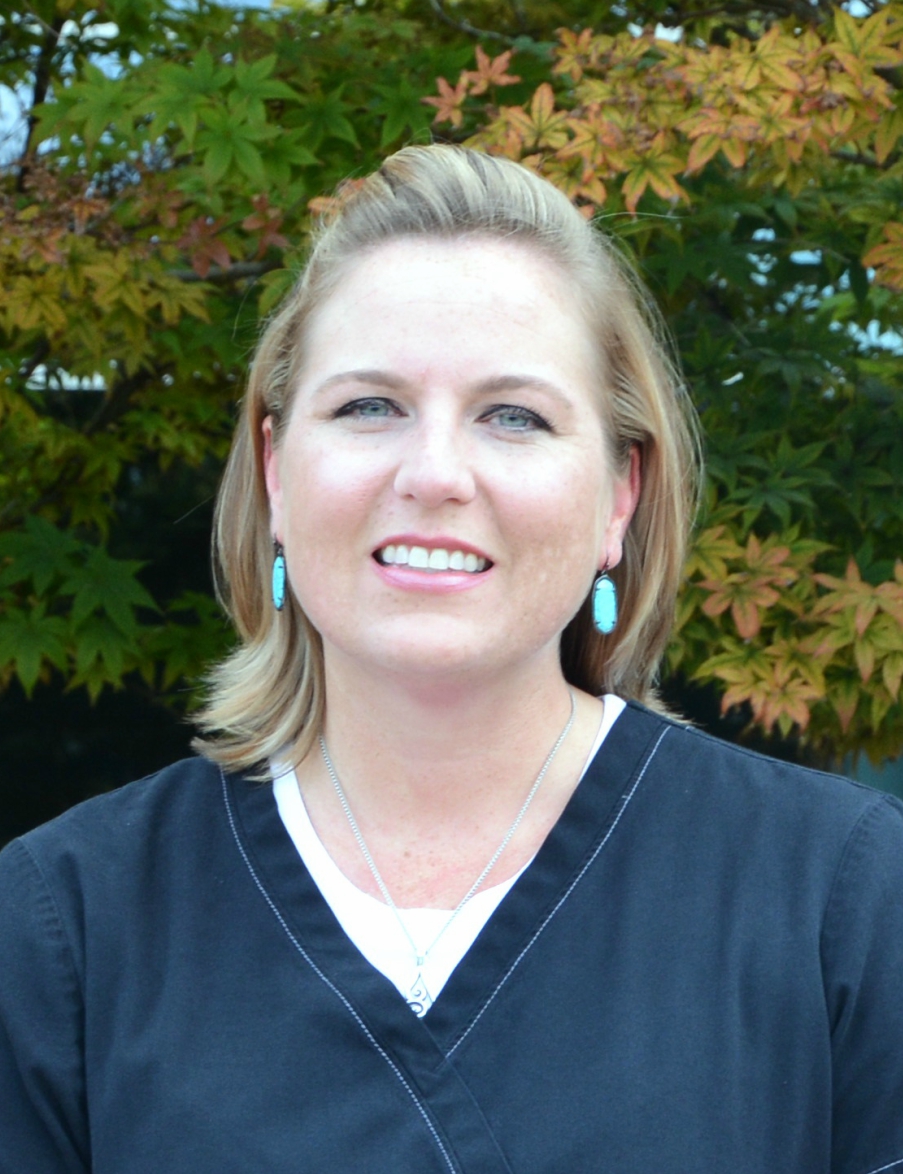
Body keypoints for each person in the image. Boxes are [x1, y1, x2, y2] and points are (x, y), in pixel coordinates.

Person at [1, 145, 901, 1174]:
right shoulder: (61, 927)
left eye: (513, 416)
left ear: (620, 495)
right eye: (368, 406)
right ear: (274, 470)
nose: (434, 474)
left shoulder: (846, 900)